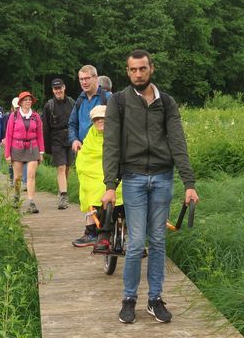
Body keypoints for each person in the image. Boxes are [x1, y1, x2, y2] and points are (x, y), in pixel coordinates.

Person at [101, 49, 199, 325]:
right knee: (134, 245)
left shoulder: (166, 103)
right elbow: (111, 145)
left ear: (151, 69)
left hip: (162, 179)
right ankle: (128, 300)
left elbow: (178, 141)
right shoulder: (118, 102)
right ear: (127, 71)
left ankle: (155, 299)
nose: (137, 74)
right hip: (132, 179)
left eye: (142, 69)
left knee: (157, 241)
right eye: (132, 70)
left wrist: (189, 183)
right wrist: (110, 185)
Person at [69, 65, 111, 246]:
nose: (84, 82)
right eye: (81, 79)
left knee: (106, 188)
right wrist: (74, 140)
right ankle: (90, 231)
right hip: (85, 152)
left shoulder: (107, 98)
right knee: (86, 190)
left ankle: (107, 230)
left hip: (105, 151)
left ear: (95, 78)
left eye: (87, 78)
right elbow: (72, 124)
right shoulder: (79, 101)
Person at [75, 105, 123, 250]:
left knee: (119, 188)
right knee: (92, 188)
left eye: (104, 118)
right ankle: (93, 232)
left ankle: (125, 234)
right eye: (97, 119)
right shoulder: (90, 136)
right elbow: (85, 158)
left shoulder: (118, 133)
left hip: (114, 174)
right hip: (94, 174)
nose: (100, 121)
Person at [4, 91, 45, 214]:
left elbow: (39, 135)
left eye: (29, 100)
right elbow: (9, 134)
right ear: (20, 102)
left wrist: (41, 152)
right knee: (17, 177)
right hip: (17, 148)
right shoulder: (14, 116)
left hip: (33, 148)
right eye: (25, 100)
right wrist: (7, 154)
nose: (28, 101)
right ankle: (16, 197)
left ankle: (31, 202)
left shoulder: (36, 116)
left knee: (31, 176)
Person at [42, 78, 75, 210]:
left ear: (64, 87)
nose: (58, 91)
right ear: (52, 90)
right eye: (55, 89)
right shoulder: (49, 106)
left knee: (67, 168)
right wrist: (46, 148)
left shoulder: (72, 102)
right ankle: (63, 196)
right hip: (56, 139)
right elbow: (45, 128)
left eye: (60, 88)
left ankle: (61, 190)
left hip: (71, 138)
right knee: (61, 167)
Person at [4, 97, 27, 188]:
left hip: (24, 144)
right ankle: (11, 179)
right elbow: (6, 130)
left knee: (24, 162)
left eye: (19, 107)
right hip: (12, 143)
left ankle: (25, 182)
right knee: (12, 162)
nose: (18, 109)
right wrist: (4, 139)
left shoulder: (27, 116)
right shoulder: (9, 117)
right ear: (12, 108)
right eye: (16, 108)